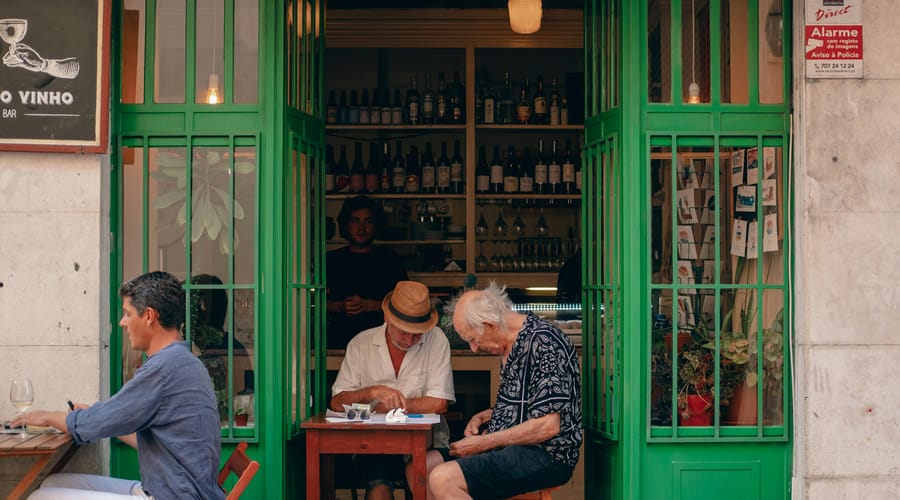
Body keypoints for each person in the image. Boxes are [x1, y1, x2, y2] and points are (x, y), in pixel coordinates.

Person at [14, 271, 224, 500]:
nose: (122, 322)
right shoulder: (183, 362)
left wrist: (45, 416)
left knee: (40, 497)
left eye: (127, 313)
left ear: (149, 316)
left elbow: (92, 425)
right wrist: (94, 415)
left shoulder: (163, 368)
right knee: (53, 482)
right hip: (178, 488)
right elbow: (162, 440)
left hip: (173, 494)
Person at [428, 281, 582, 500]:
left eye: (473, 339)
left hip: (545, 455)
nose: (474, 348)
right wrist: (489, 414)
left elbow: (548, 425)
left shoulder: (544, 342)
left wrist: (483, 443)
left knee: (443, 478)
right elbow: (532, 402)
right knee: (426, 465)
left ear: (490, 324)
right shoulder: (510, 342)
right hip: (510, 449)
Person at [331, 280, 455, 500]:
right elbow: (337, 403)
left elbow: (439, 403)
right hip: (374, 443)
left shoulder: (437, 340)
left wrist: (392, 407)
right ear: (387, 318)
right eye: (403, 332)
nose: (409, 340)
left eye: (417, 333)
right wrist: (371, 392)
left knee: (422, 478)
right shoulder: (361, 344)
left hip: (426, 443)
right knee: (379, 490)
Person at [327, 195, 408, 348]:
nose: (362, 228)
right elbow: (312, 303)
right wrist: (340, 306)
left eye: (368, 221)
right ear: (345, 225)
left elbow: (406, 305)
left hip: (383, 343)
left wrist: (371, 305)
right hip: (336, 342)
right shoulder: (330, 261)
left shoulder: (390, 261)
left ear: (376, 225)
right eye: (355, 221)